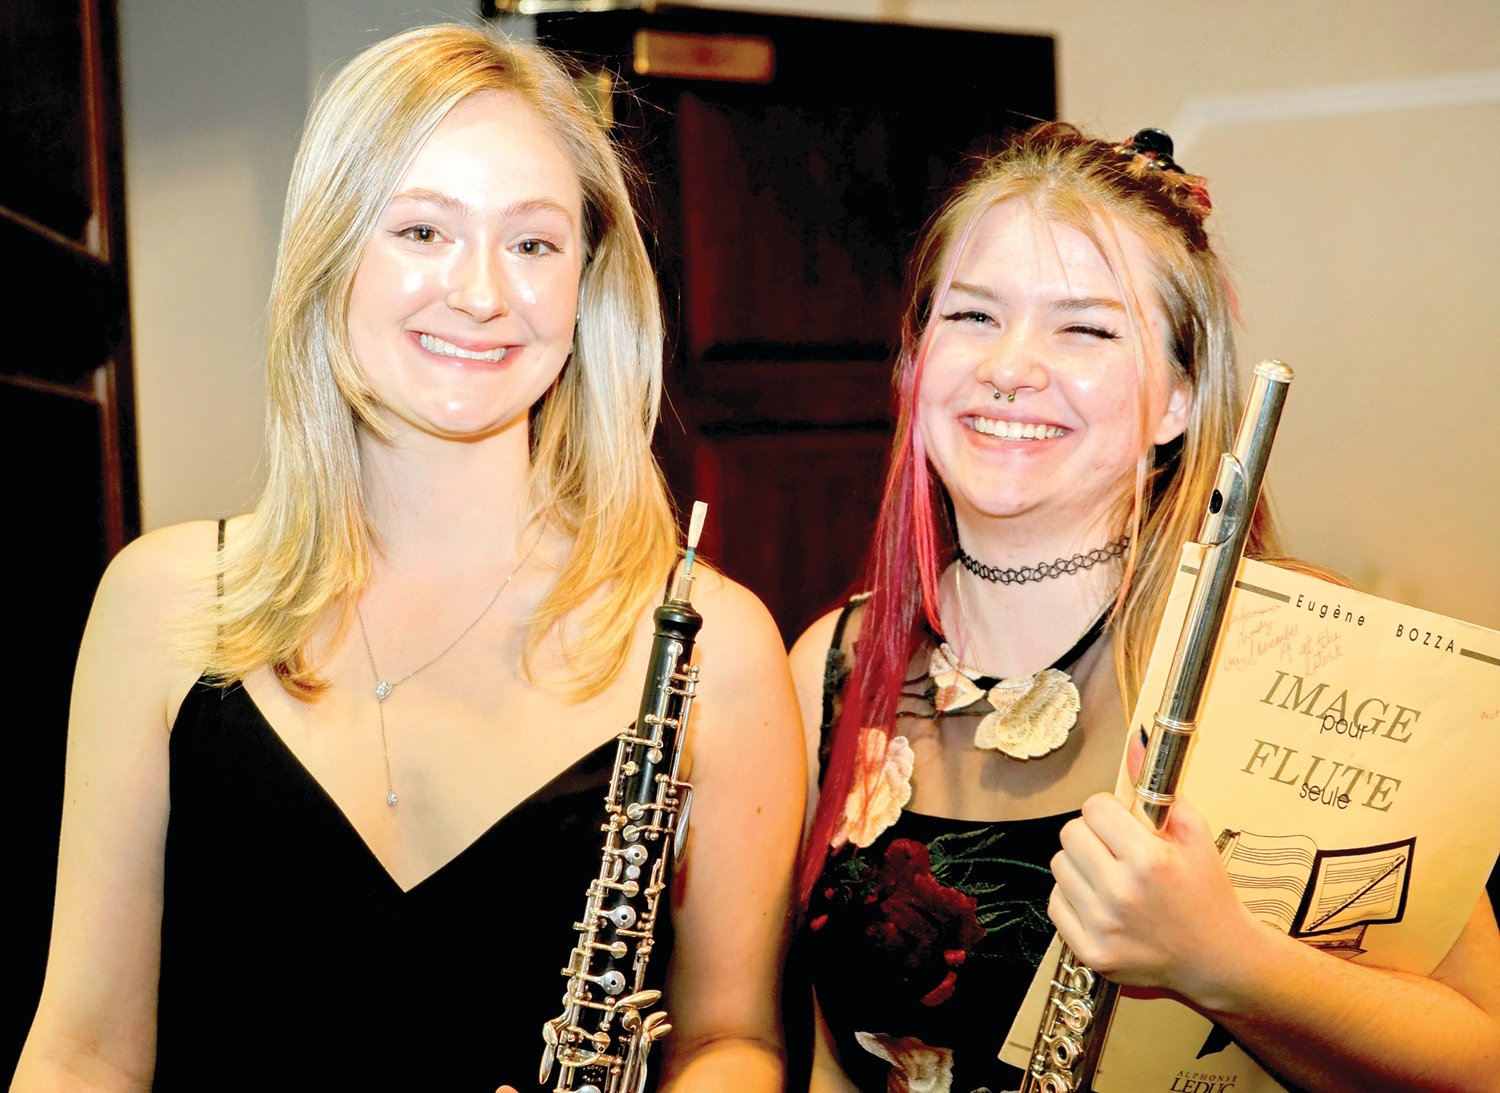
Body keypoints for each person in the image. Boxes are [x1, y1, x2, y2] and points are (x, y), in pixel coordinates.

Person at [14, 25, 803, 1091]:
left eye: (533, 243)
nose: (481, 293)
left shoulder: (717, 642)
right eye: (423, 230)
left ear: (586, 284)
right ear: (333, 252)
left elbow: (732, 1039)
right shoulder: (161, 605)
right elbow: (83, 1051)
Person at [788, 122, 1500, 1092]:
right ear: (914, 362)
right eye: (971, 317)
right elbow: (827, 1056)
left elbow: (1480, 1057)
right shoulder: (830, 661)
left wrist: (1224, 961)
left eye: (1084, 327)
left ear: (1177, 398)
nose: (1010, 365)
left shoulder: (1295, 653)